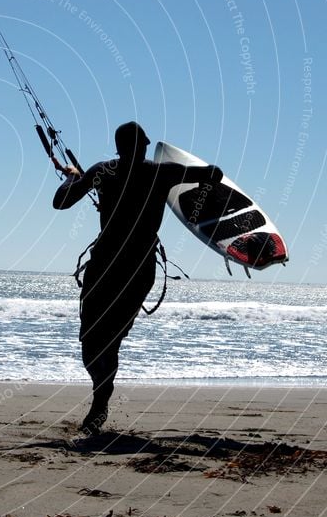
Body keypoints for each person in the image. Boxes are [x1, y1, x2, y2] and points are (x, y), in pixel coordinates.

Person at [52, 122, 222, 435]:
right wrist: (204, 202)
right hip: (139, 267)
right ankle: (101, 400)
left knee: (91, 340)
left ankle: (100, 398)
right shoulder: (161, 172)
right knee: (111, 340)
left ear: (118, 147)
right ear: (144, 144)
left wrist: (72, 178)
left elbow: (61, 201)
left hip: (106, 263)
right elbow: (214, 173)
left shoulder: (103, 171)